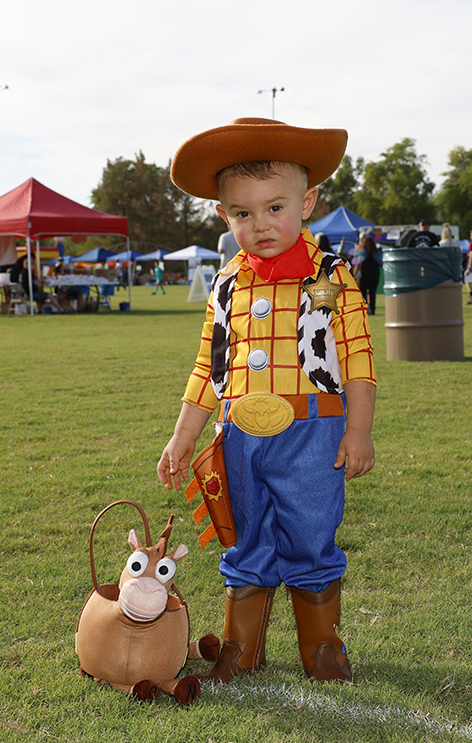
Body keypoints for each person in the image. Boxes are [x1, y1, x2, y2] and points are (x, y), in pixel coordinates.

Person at [159, 118, 375, 686]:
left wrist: (358, 431)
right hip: (239, 436)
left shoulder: (330, 277)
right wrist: (183, 437)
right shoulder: (226, 283)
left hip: (312, 433)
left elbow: (357, 360)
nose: (261, 225)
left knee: (310, 533)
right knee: (245, 534)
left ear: (307, 202)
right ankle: (240, 646)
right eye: (243, 214)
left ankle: (322, 646)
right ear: (223, 216)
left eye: (275, 208)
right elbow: (209, 367)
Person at [352, 234, 382, 315]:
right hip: (375, 274)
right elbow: (381, 264)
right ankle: (373, 309)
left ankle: (366, 309)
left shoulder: (362, 252)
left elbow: (358, 264)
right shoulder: (376, 252)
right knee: (372, 292)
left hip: (364, 275)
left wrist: (354, 274)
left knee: (364, 292)